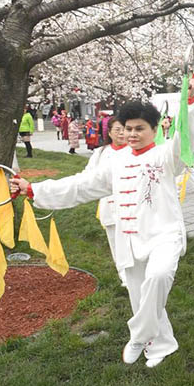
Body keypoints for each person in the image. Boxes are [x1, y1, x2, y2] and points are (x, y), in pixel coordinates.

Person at [10, 78, 194, 368]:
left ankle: (138, 334)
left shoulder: (166, 155)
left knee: (159, 276)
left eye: (140, 128)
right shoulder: (115, 160)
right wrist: (35, 189)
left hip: (164, 234)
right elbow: (81, 185)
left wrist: (189, 101)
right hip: (128, 236)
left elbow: (185, 137)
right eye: (128, 129)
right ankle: (159, 344)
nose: (133, 134)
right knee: (139, 293)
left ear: (154, 129)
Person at [84, 119, 130, 286]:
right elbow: (88, 176)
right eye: (117, 129)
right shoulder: (100, 153)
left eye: (124, 129)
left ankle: (136, 272)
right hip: (109, 205)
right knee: (115, 241)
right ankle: (124, 275)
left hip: (131, 207)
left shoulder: (134, 152)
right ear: (109, 133)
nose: (121, 133)